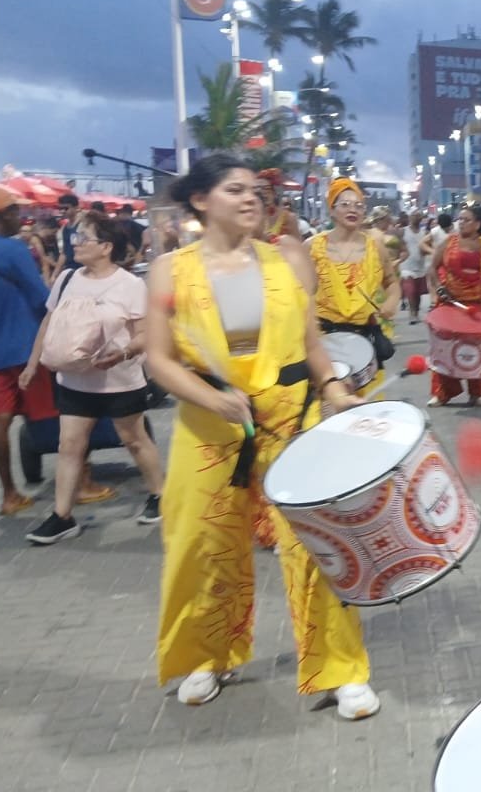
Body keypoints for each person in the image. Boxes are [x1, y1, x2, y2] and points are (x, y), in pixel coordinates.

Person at [143, 153, 378, 716]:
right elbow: (159, 359)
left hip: (290, 419)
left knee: (315, 544)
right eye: (234, 189)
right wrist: (213, 399)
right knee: (202, 546)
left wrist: (333, 387)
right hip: (209, 426)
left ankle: (339, 668)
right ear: (200, 200)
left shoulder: (288, 257)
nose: (250, 198)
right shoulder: (169, 270)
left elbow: (313, 343)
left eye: (254, 189)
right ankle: (208, 656)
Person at [20, 214, 164, 544]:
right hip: (74, 381)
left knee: (134, 439)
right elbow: (49, 324)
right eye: (76, 238)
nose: (76, 244)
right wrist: (33, 364)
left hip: (119, 380)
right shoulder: (67, 278)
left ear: (106, 247)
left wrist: (123, 354)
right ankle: (62, 516)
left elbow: (144, 334)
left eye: (84, 238)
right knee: (69, 445)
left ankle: (159, 493)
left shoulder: (130, 285)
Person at [0, 183, 50, 516]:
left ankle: (9, 495)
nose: (21, 218)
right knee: (56, 413)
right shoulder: (12, 250)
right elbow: (41, 298)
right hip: (29, 348)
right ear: (1, 215)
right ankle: (82, 483)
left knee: (0, 417)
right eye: (16, 211)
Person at [311, 178, 400, 395]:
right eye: (345, 204)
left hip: (365, 340)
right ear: (332, 210)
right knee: (328, 406)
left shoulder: (375, 246)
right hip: (324, 342)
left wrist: (390, 302)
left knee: (368, 407)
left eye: (359, 206)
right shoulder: (312, 246)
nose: (353, 209)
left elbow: (391, 282)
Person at [428, 206, 481, 407]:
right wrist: (439, 288)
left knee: (477, 349)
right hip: (450, 302)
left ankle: (478, 392)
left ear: (478, 224)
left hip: (478, 305)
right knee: (445, 348)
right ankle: (441, 393)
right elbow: (432, 268)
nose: (461, 223)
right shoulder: (449, 241)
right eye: (459, 219)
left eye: (466, 220)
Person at [399, 212, 429, 324]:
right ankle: (412, 314)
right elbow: (397, 245)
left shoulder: (424, 232)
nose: (416, 218)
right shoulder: (403, 231)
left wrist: (426, 252)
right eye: (414, 216)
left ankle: (416, 312)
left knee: (417, 293)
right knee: (410, 290)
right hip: (406, 266)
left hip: (420, 266)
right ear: (410, 218)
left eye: (418, 216)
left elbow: (428, 247)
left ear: (421, 219)